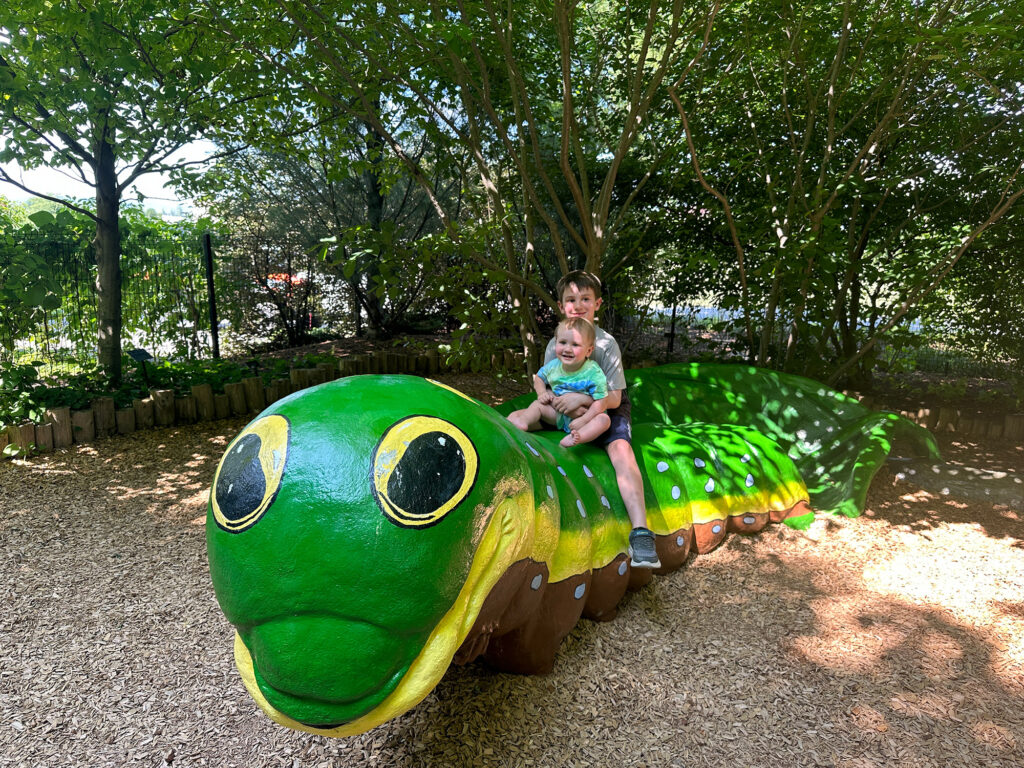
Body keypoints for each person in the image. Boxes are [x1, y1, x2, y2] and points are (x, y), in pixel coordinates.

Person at [520, 270, 661, 568]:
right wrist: (557, 403)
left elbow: (614, 397)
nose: (578, 304)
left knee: (621, 450)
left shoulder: (606, 344)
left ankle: (641, 531)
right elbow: (548, 384)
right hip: (566, 408)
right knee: (533, 416)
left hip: (607, 406)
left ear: (597, 304)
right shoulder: (556, 343)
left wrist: (584, 401)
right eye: (571, 299)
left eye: (585, 298)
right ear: (561, 306)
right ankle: (507, 435)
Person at [509, 317, 611, 447]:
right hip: (558, 414)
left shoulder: (593, 372)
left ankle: (577, 437)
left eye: (575, 344)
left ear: (589, 351)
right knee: (537, 405)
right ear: (555, 343)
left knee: (604, 420)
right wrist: (541, 394)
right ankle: (522, 422)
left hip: (585, 417)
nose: (567, 349)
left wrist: (584, 419)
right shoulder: (553, 367)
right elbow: (539, 378)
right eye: (562, 342)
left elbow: (602, 402)